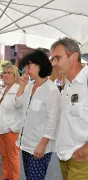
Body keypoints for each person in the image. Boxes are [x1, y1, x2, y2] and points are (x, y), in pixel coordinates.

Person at [15, 50, 61, 180]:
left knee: (35, 178)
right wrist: (21, 86)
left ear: (39, 65)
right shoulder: (29, 86)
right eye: (26, 66)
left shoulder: (51, 90)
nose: (26, 69)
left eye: (29, 65)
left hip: (39, 145)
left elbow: (54, 121)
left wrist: (42, 144)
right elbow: (18, 105)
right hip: (25, 142)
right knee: (29, 177)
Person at [51, 37, 88, 180]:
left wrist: (85, 150)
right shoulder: (67, 83)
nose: (54, 63)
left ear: (74, 57)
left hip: (82, 158)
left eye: (57, 58)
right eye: (52, 59)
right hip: (65, 156)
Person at [0, 65, 21, 180]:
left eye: (9, 73)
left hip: (11, 130)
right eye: (4, 72)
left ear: (15, 75)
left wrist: (14, 127)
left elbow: (23, 111)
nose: (6, 75)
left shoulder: (18, 89)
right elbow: (1, 108)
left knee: (13, 157)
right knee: (4, 155)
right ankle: (5, 176)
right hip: (1, 127)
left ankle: (14, 178)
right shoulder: (3, 89)